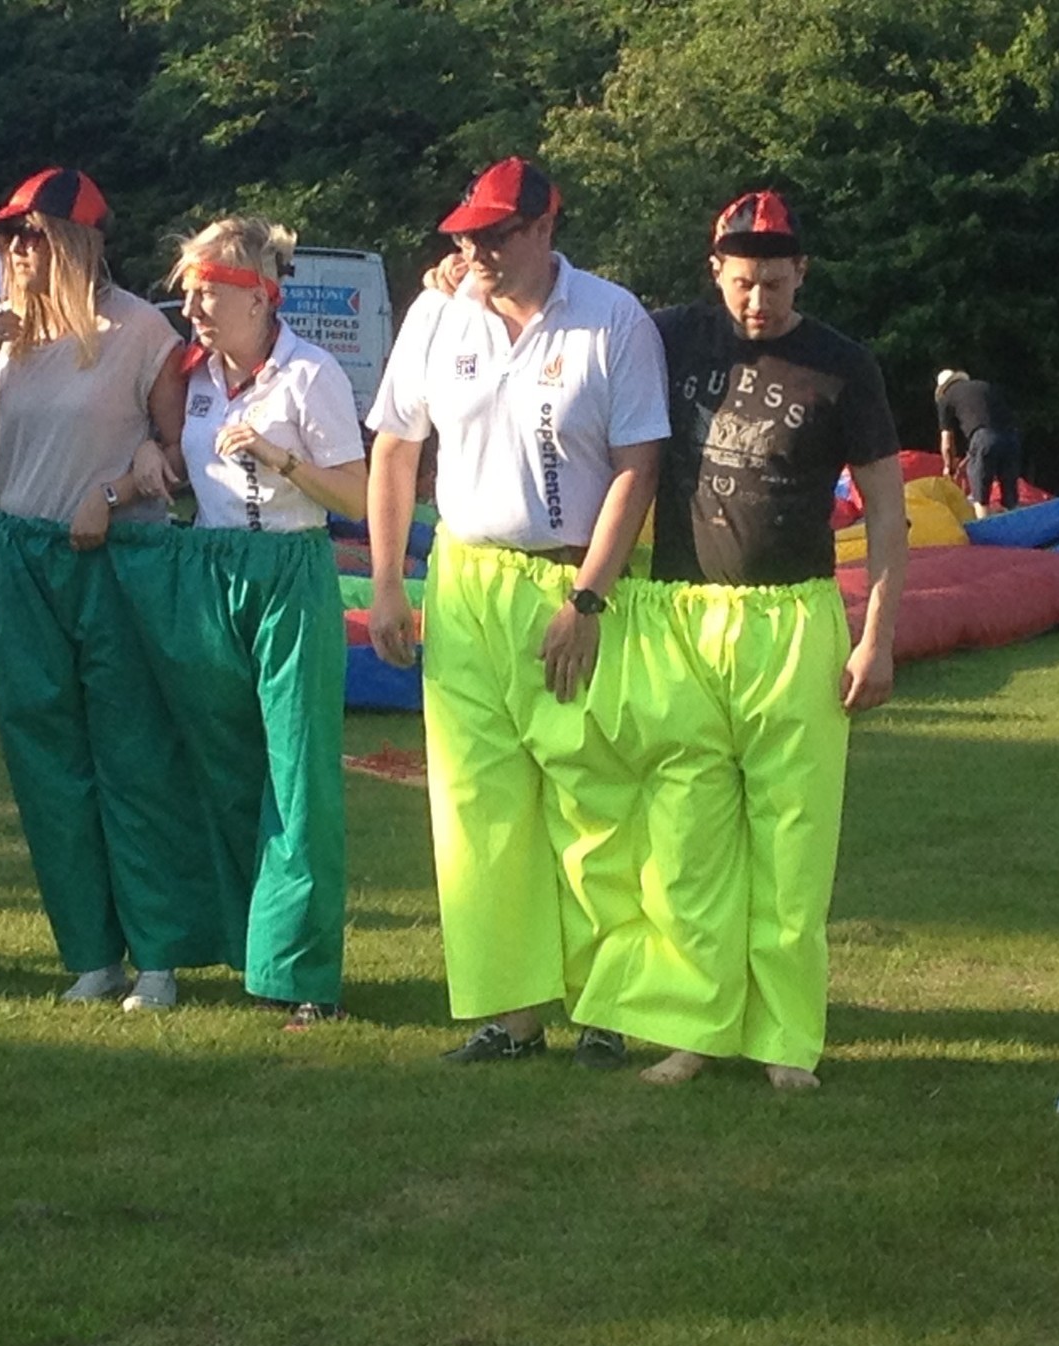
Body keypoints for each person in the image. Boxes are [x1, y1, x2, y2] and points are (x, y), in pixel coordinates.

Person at [572, 189, 905, 1090]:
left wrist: (876, 635)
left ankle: (785, 1038)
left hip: (792, 617)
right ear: (716, 270)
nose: (759, 300)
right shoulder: (669, 335)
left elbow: (884, 506)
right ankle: (696, 1025)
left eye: (775, 281)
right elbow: (572, 307)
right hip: (682, 614)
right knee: (686, 840)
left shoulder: (842, 365)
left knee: (793, 837)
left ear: (801, 270)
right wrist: (459, 286)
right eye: (743, 282)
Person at [363, 156, 669, 1067]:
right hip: (464, 577)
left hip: (568, 577)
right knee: (476, 802)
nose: (477, 249)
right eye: (466, 235)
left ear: (544, 228)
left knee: (593, 794)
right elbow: (393, 449)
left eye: (497, 232)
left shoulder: (613, 317)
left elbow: (636, 468)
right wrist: (388, 581)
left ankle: (612, 1004)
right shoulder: (437, 312)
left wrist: (589, 597)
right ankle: (511, 1010)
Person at [0, 167, 216, 1011]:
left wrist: (112, 493)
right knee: (45, 759)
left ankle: (159, 956)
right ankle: (90, 952)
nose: (12, 251)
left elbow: (180, 459)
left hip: (113, 557)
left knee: (131, 754)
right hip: (21, 550)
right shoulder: (15, 335)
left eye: (28, 235)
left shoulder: (142, 331)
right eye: (6, 236)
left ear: (74, 240)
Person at [109, 216, 366, 1028]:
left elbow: (360, 500)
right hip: (210, 569)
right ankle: (239, 946)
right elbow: (194, 468)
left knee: (298, 774)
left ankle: (303, 977)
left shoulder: (310, 374)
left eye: (210, 294)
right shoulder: (193, 375)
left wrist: (282, 458)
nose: (195, 310)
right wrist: (156, 463)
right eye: (189, 294)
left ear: (260, 297)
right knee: (220, 768)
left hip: (290, 571)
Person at [934, 369, 1020, 515]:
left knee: (980, 496)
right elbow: (989, 426)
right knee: (1010, 496)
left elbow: (947, 442)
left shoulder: (946, 397)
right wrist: (968, 458)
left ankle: (983, 531)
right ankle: (1016, 528)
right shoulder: (984, 386)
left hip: (983, 438)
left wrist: (949, 467)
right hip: (1011, 436)